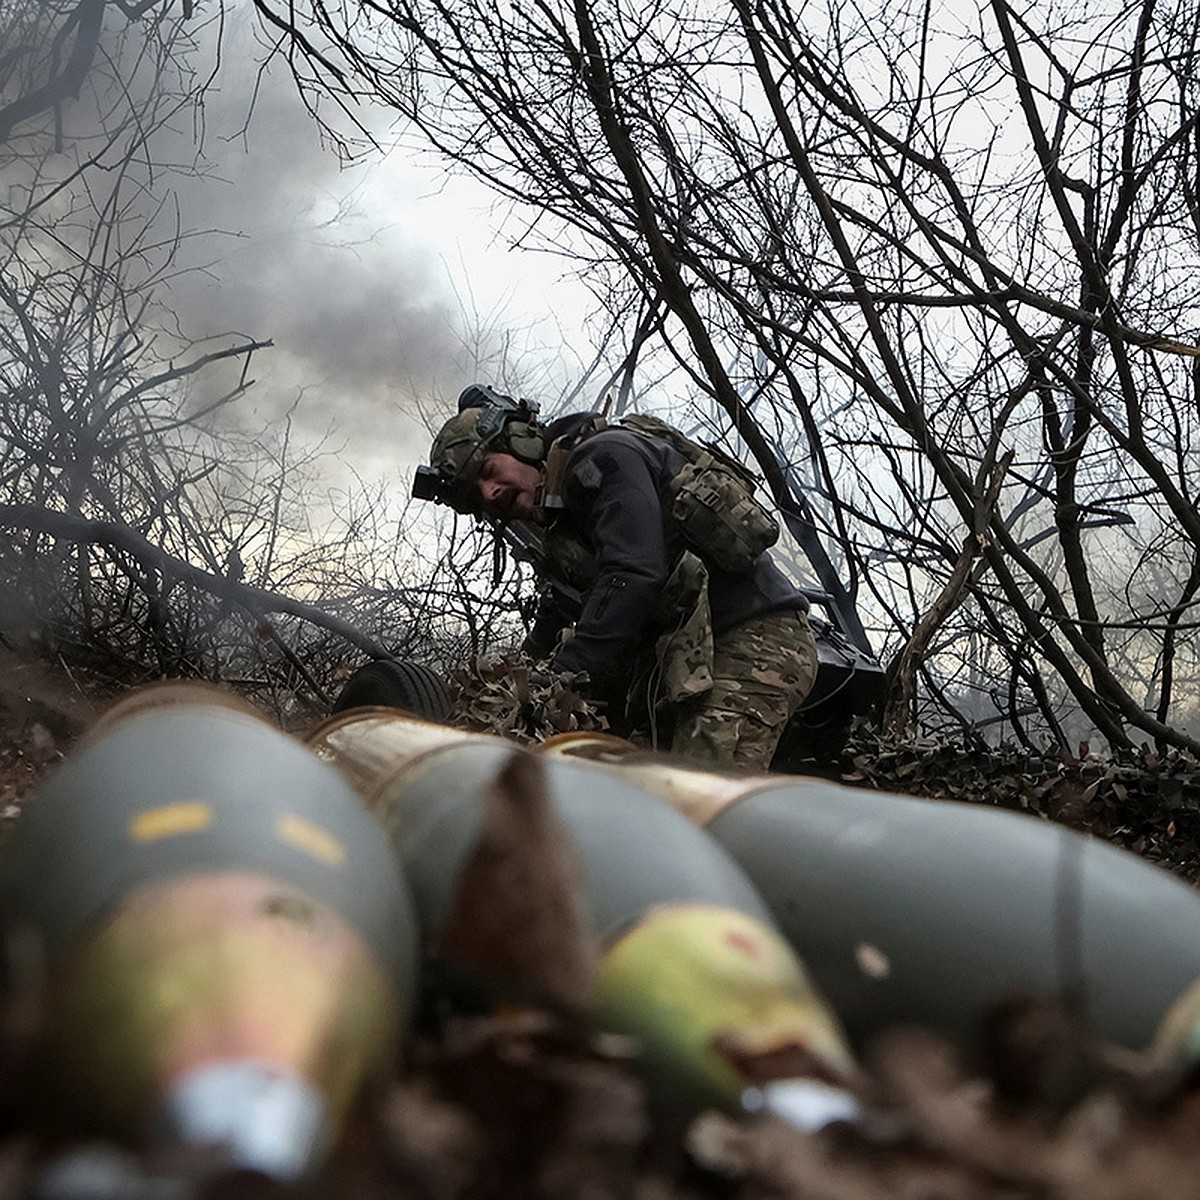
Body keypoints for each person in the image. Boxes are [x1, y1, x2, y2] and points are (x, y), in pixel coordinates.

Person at [416, 384, 817, 771]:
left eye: (488, 469)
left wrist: (556, 676)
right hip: (693, 658)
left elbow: (634, 573)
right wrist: (520, 676)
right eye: (475, 493)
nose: (488, 492)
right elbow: (568, 608)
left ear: (522, 443)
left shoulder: (601, 458)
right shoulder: (564, 517)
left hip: (752, 642)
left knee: (700, 804)